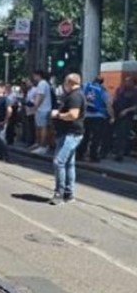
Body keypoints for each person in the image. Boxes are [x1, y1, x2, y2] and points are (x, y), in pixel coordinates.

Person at [50, 73, 86, 205]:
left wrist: (57, 115)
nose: (64, 86)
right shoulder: (76, 94)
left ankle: (59, 194)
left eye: (65, 83)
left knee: (59, 162)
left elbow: (73, 115)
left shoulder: (75, 96)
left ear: (69, 82)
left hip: (70, 134)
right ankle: (69, 194)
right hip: (70, 133)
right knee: (69, 164)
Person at [77, 76, 113, 162]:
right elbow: (108, 104)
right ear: (101, 82)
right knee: (96, 137)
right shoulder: (102, 90)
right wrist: (112, 116)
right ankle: (93, 156)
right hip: (98, 116)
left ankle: (80, 154)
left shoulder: (86, 86)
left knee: (85, 136)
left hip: (86, 116)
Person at [111, 77, 137, 162]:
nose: (126, 83)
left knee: (123, 135)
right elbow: (115, 100)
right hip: (117, 115)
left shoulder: (134, 92)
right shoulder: (120, 90)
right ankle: (114, 150)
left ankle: (120, 154)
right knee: (116, 134)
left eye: (129, 81)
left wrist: (126, 110)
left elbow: (135, 106)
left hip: (126, 117)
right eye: (125, 81)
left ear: (133, 83)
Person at [30, 70, 53, 155]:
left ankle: (43, 146)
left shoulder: (42, 84)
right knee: (39, 127)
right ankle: (40, 144)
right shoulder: (45, 83)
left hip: (42, 109)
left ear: (38, 75)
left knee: (42, 127)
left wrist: (36, 106)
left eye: (34, 76)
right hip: (43, 109)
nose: (33, 78)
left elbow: (40, 96)